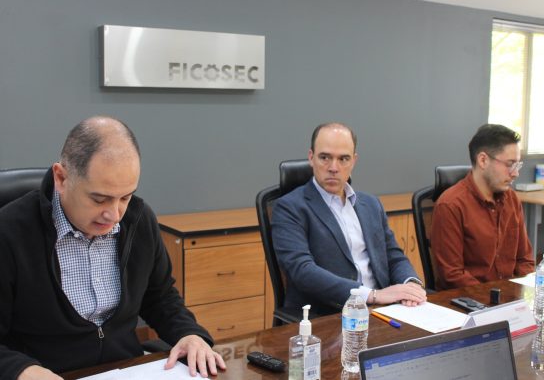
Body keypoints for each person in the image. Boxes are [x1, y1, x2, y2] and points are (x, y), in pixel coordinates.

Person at [0, 116, 226, 380]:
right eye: (99, 199)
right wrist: (22, 370)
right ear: (61, 178)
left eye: (125, 197)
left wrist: (189, 333)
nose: (114, 215)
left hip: (127, 370)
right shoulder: (9, 232)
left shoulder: (139, 220)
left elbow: (160, 296)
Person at [271, 122, 426, 317]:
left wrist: (410, 284)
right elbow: (302, 271)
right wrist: (372, 295)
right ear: (311, 157)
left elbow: (392, 255)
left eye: (343, 159)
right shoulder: (289, 207)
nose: (333, 167)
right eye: (325, 157)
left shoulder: (371, 204)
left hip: (384, 310)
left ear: (353, 161)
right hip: (330, 314)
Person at [431, 124, 534, 289]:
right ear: (483, 160)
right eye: (510, 164)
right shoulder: (450, 205)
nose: (515, 173)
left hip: (509, 296)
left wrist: (522, 293)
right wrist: (495, 297)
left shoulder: (511, 199)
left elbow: (525, 260)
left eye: (517, 165)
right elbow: (452, 275)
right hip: (467, 298)